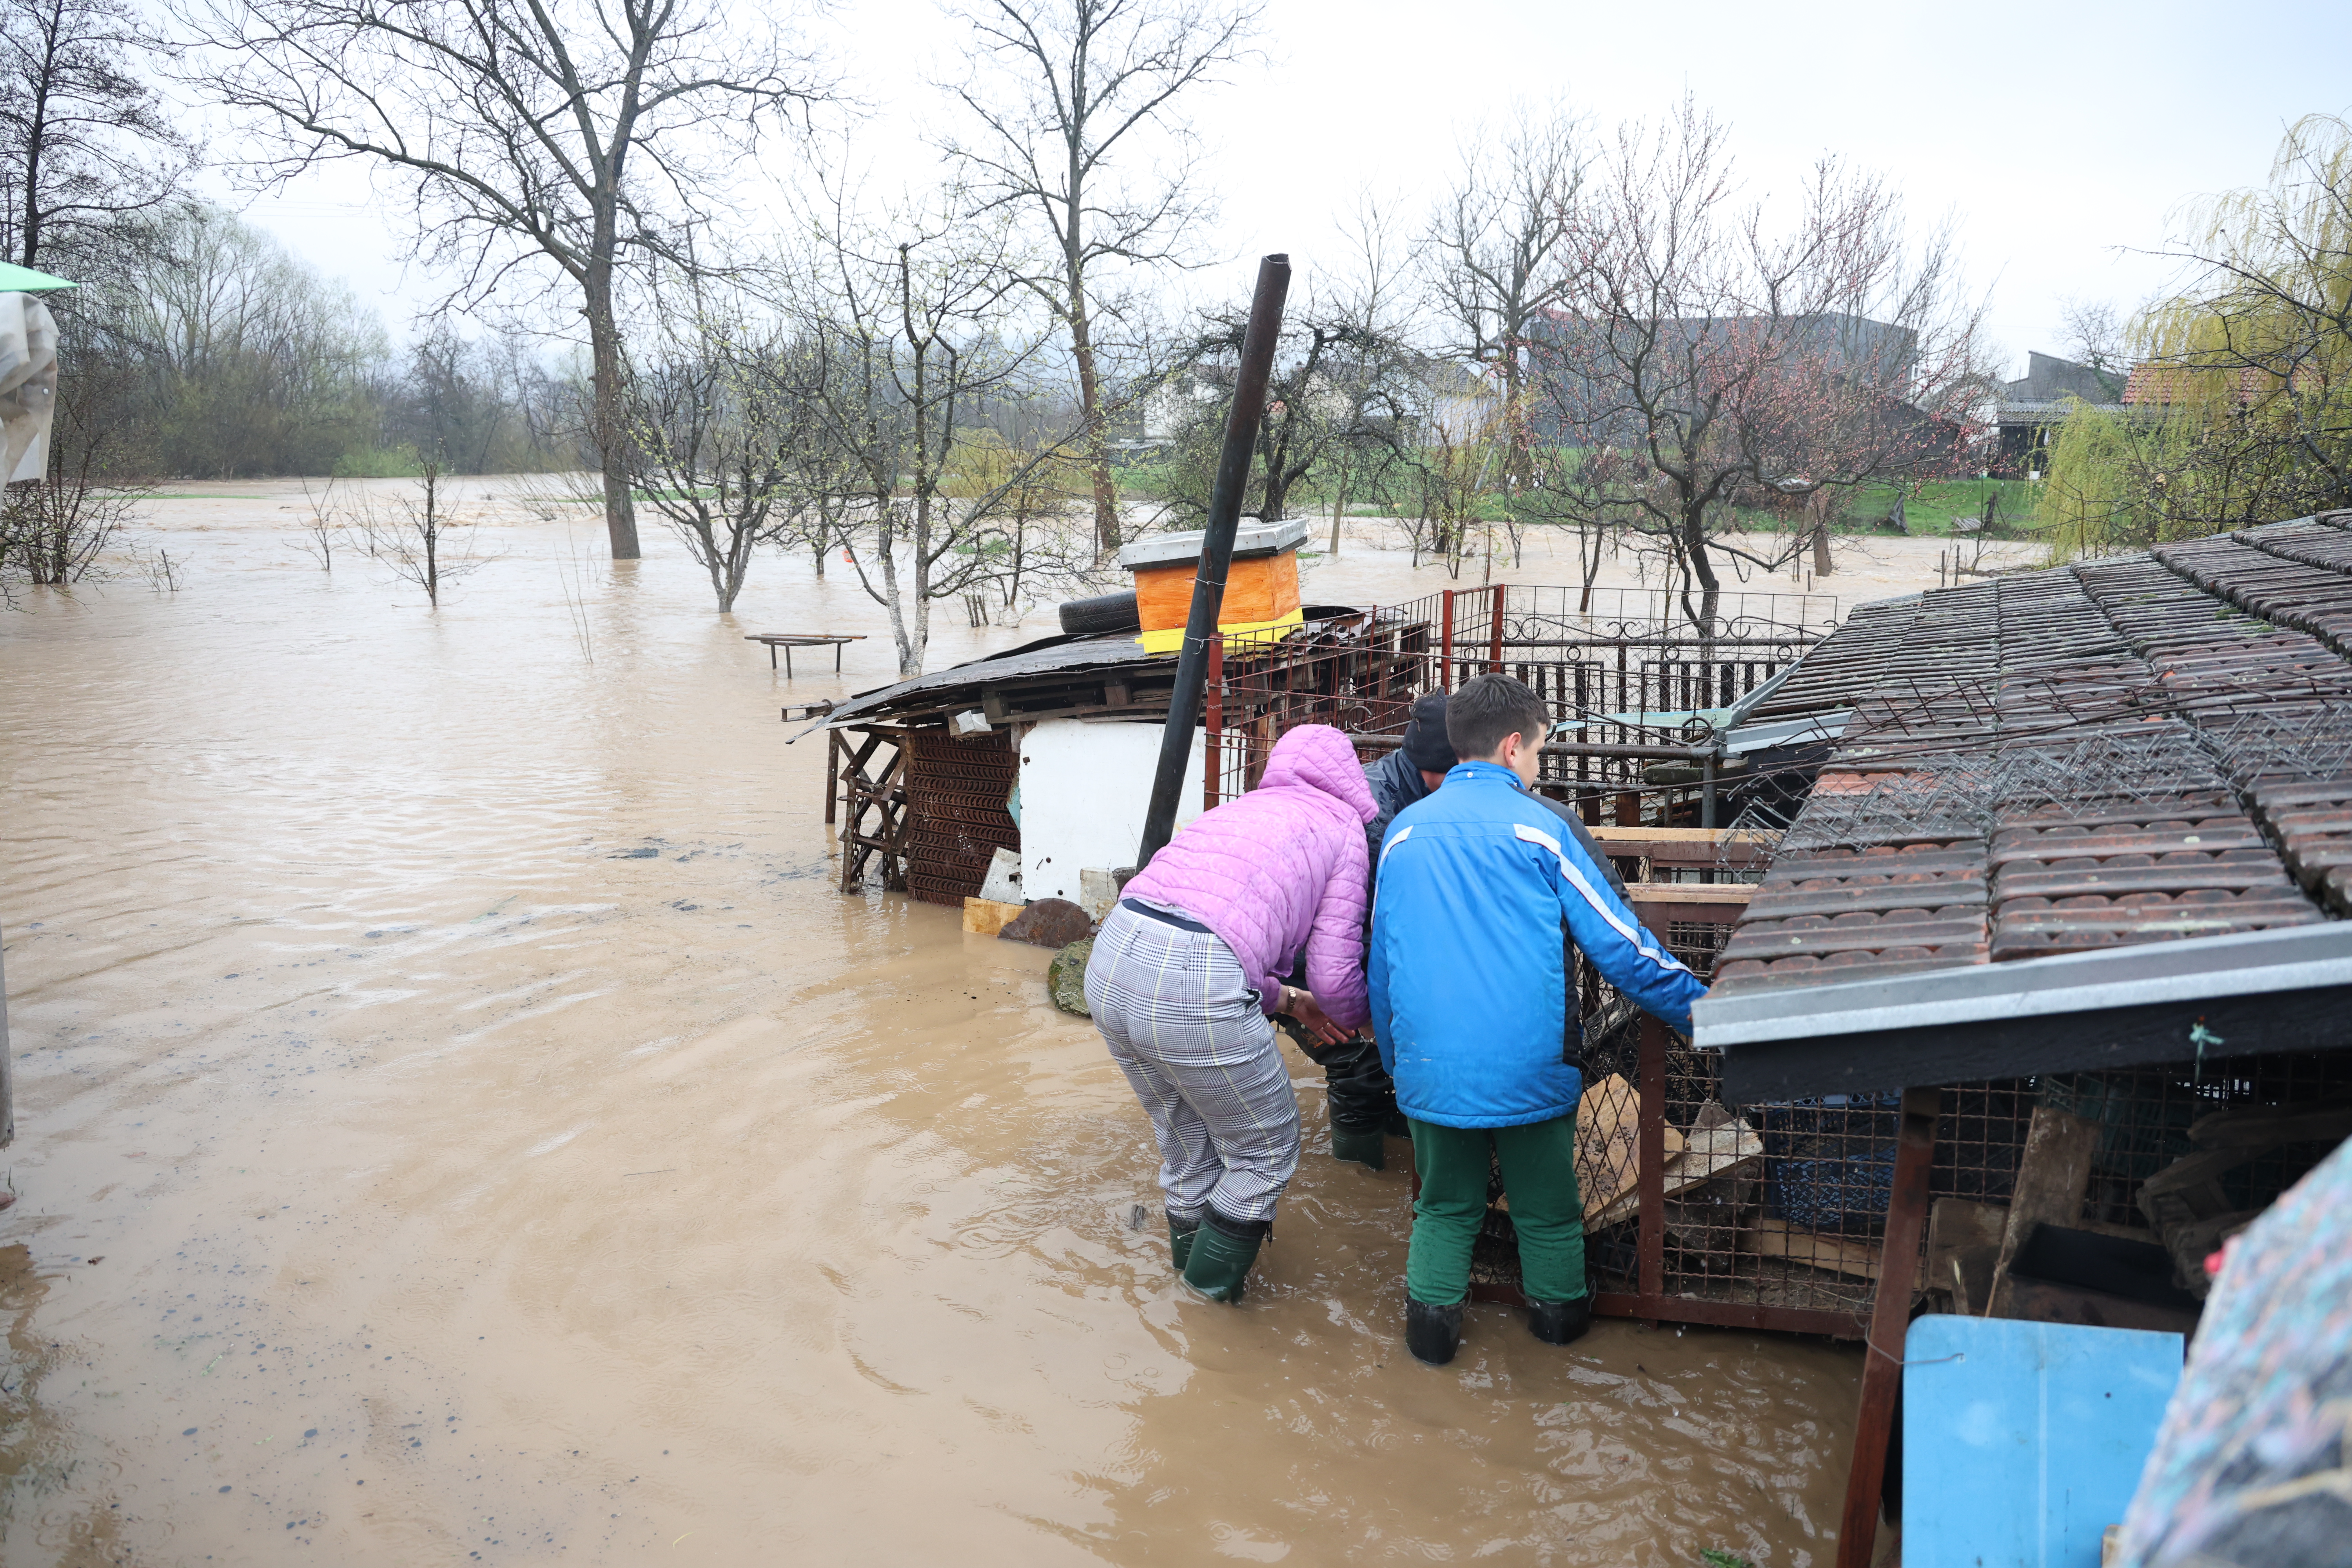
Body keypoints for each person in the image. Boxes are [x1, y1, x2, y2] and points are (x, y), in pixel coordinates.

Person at [1368, 673, 1707, 1365]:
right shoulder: (1542, 828)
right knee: (1547, 1214)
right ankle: (1559, 1361)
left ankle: (1428, 1361)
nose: (1538, 768)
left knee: (1444, 1209)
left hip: (1429, 1067)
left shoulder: (1402, 833)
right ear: (1515, 746)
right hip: (1529, 1067)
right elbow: (1624, 950)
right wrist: (1711, 1015)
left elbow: (1381, 967)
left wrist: (1399, 1068)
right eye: (1541, 753)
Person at [1085, 724, 1375, 1303]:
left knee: (1188, 1143)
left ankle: (1180, 1301)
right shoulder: (1345, 828)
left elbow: (1221, 939)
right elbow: (1334, 974)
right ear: (1352, 776)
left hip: (1113, 957)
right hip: (1197, 978)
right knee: (1265, 1151)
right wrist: (1368, 1025)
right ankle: (1208, 1309)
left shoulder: (1243, 808)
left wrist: (1290, 1002)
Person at [1319, 693, 1633, 1171]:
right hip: (1321, 958)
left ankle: (1410, 1149)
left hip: (1354, 962)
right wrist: (1379, 1026)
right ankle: (1358, 1174)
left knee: (1438, 1178)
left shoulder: (1426, 798)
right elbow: (1366, 934)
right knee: (1356, 1068)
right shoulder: (1379, 820)